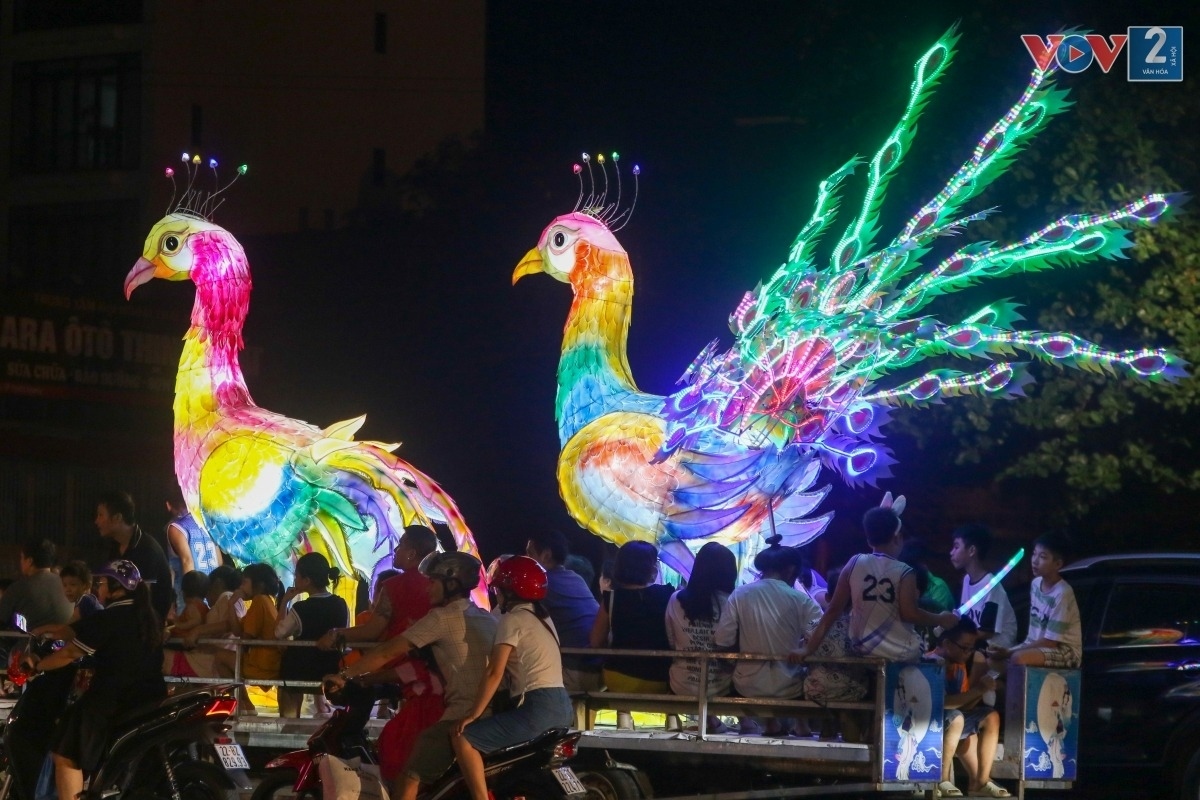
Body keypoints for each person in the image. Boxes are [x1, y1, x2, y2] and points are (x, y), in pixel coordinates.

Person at [324, 551, 496, 800]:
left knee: (410, 774)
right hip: (494, 713)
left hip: (458, 712)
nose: (427, 590)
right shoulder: (484, 617)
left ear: (450, 584)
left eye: (433, 582)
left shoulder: (440, 618)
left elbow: (387, 652)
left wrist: (344, 675)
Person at [316, 527, 446, 783]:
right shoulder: (440, 593)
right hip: (427, 675)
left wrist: (336, 636)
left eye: (400, 545)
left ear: (411, 553)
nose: (395, 550)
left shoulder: (397, 586)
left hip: (416, 678)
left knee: (395, 748)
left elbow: (376, 634)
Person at [29, 560, 165, 800]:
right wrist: (50, 632)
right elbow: (79, 629)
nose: (98, 588)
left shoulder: (112, 616)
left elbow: (70, 653)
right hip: (150, 696)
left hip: (115, 699)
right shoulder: (146, 615)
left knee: (65, 752)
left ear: (117, 587)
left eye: (102, 583)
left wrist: (37, 666)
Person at [451, 556, 573, 800]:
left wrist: (473, 714)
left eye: (497, 590)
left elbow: (494, 671)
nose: (497, 595)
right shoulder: (544, 619)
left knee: (464, 738)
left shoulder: (512, 619)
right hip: (563, 707)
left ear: (509, 590)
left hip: (537, 708)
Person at [798, 503, 959, 664]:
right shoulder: (905, 572)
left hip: (860, 649)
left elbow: (832, 610)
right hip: (899, 652)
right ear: (898, 538)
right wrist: (940, 619)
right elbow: (910, 614)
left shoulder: (854, 563)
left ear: (868, 539)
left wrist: (808, 649)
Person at [715, 535, 821, 735]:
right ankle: (802, 724)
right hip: (791, 687)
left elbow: (723, 640)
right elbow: (821, 636)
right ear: (791, 570)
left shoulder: (740, 594)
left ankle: (770, 723)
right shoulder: (801, 599)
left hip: (747, 685)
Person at [589, 541, 674, 729]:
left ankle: (624, 718)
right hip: (661, 678)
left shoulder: (611, 599)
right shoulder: (667, 594)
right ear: (651, 567)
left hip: (619, 679)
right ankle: (673, 720)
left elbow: (595, 641)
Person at [932, 619, 1008, 798]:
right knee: (957, 718)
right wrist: (978, 690)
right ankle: (940, 779)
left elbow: (963, 704)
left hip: (953, 719)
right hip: (930, 720)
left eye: (971, 649)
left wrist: (981, 692)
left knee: (991, 716)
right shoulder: (932, 663)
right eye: (964, 648)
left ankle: (981, 781)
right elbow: (943, 703)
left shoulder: (958, 667)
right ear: (947, 643)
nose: (967, 654)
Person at [665, 542, 736, 733]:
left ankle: (712, 721)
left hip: (681, 683)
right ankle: (737, 722)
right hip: (722, 686)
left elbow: (672, 642)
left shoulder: (676, 599)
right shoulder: (732, 601)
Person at [988, 532, 1081, 669]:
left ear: (1058, 564)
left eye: (1042, 557)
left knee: (1018, 658)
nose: (1035, 560)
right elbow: (1033, 637)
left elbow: (1051, 642)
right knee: (992, 663)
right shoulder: (1036, 584)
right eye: (1034, 554)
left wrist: (1009, 652)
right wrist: (1006, 652)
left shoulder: (1062, 593)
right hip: (1038, 645)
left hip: (1065, 651)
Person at [525, 530, 602, 692]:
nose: (525, 560)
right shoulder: (575, 577)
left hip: (575, 669)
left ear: (546, 555)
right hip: (598, 667)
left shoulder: (543, 585)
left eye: (529, 553)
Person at [275, 553, 349, 718]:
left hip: (301, 669)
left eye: (297, 576)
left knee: (288, 689)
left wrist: (284, 602)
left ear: (307, 580)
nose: (295, 579)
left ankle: (290, 723)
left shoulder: (300, 608)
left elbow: (279, 632)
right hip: (331, 667)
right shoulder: (341, 604)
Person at [95, 491, 174, 621]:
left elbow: (145, 596)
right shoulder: (115, 547)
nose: (96, 521)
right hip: (124, 620)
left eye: (100, 515)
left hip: (145, 626)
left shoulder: (147, 548)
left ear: (117, 518)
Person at [949, 524, 1019, 649]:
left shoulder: (991, 585)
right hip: (975, 639)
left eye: (956, 547)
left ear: (972, 551)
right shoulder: (966, 580)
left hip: (996, 644)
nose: (951, 552)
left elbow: (987, 632)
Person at [229, 563, 282, 713]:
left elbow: (245, 637)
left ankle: (245, 706)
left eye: (245, 582)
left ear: (258, 584)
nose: (241, 586)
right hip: (266, 663)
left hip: (263, 666)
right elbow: (237, 630)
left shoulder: (259, 601)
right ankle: (245, 705)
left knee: (220, 658)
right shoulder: (266, 600)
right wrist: (231, 604)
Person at [178, 565, 244, 678]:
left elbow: (232, 624)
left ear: (218, 584)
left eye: (208, 590)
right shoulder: (229, 600)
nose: (206, 597)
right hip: (215, 658)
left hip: (214, 660)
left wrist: (198, 631)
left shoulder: (227, 597)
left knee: (164, 658)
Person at [164, 492, 221, 613]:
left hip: (192, 596)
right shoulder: (207, 523)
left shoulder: (176, 527)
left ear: (168, 505)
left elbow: (187, 562)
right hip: (214, 593)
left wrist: (190, 602)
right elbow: (219, 560)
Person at [0, 537, 73, 631]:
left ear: (30, 561)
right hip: (66, 642)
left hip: (31, 642)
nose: (20, 562)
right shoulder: (66, 585)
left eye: (22, 558)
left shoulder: (18, 588)